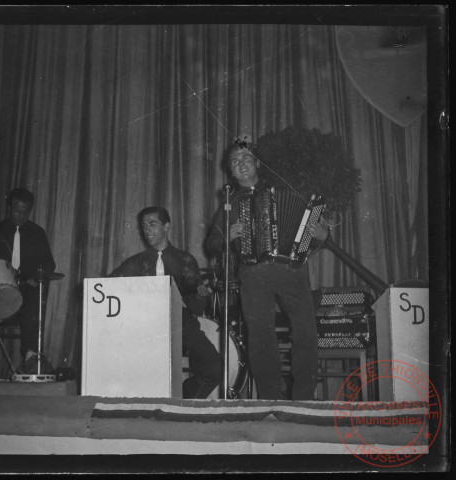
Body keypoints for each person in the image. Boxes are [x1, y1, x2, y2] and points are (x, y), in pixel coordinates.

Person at [204, 142, 329, 401]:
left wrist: (322, 234)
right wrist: (227, 235)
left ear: (258, 163)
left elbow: (313, 229)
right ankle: (268, 399)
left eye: (246, 157)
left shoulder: (283, 188)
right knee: (260, 337)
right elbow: (211, 244)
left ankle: (305, 398)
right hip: (253, 274)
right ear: (231, 171)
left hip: (292, 269)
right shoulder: (230, 202)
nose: (241, 162)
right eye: (235, 160)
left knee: (306, 331)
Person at [109, 206, 222, 399]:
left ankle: (185, 400)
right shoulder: (135, 263)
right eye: (144, 226)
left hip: (181, 321)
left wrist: (201, 296)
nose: (147, 230)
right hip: (147, 324)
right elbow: (109, 286)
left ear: (167, 226)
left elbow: (195, 307)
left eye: (153, 224)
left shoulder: (185, 260)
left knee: (215, 367)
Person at [0, 188, 56, 374]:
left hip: (26, 289)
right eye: (17, 211)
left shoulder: (37, 233)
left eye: (25, 212)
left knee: (33, 297)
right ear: (8, 209)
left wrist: (35, 277)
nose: (21, 215)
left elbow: (48, 264)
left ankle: (30, 354)